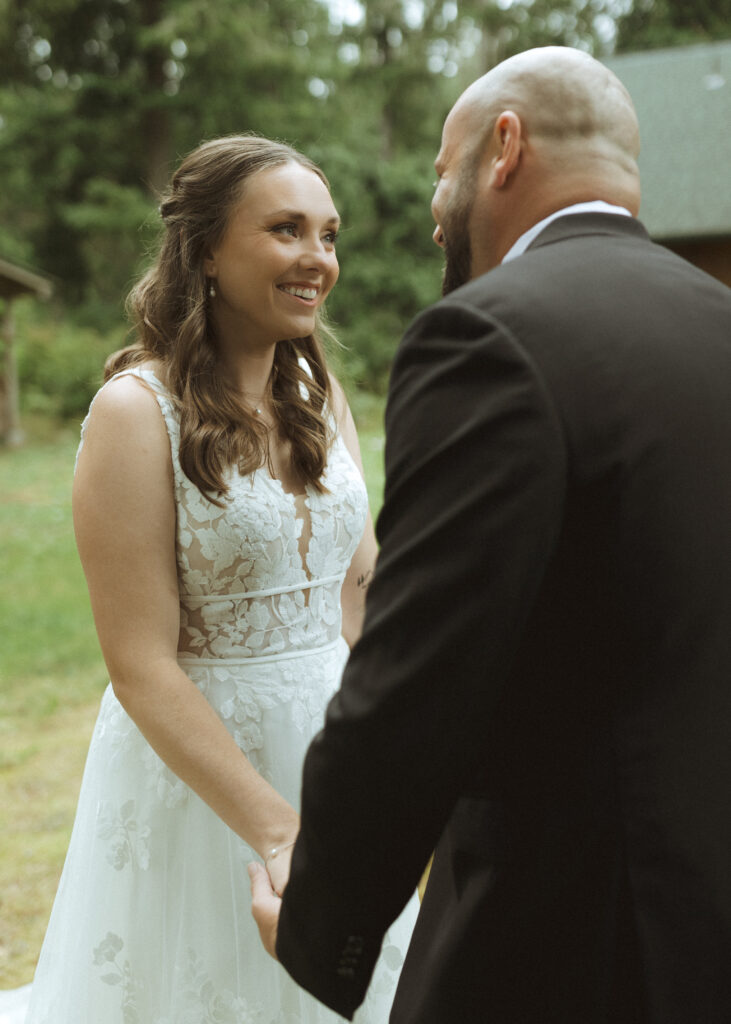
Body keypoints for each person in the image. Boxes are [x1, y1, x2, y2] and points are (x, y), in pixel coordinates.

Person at [249, 46, 731, 1023]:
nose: (435, 205)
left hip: (566, 938)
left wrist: (320, 910)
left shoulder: (486, 337)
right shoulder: (714, 317)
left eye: (439, 168)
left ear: (502, 148)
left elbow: (418, 674)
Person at [20, 134, 417, 1024]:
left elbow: (361, 592)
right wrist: (277, 827)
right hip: (203, 781)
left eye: (328, 234)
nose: (318, 258)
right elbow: (139, 664)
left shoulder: (321, 397)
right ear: (204, 250)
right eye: (286, 230)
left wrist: (397, 755)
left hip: (331, 752)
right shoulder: (135, 414)